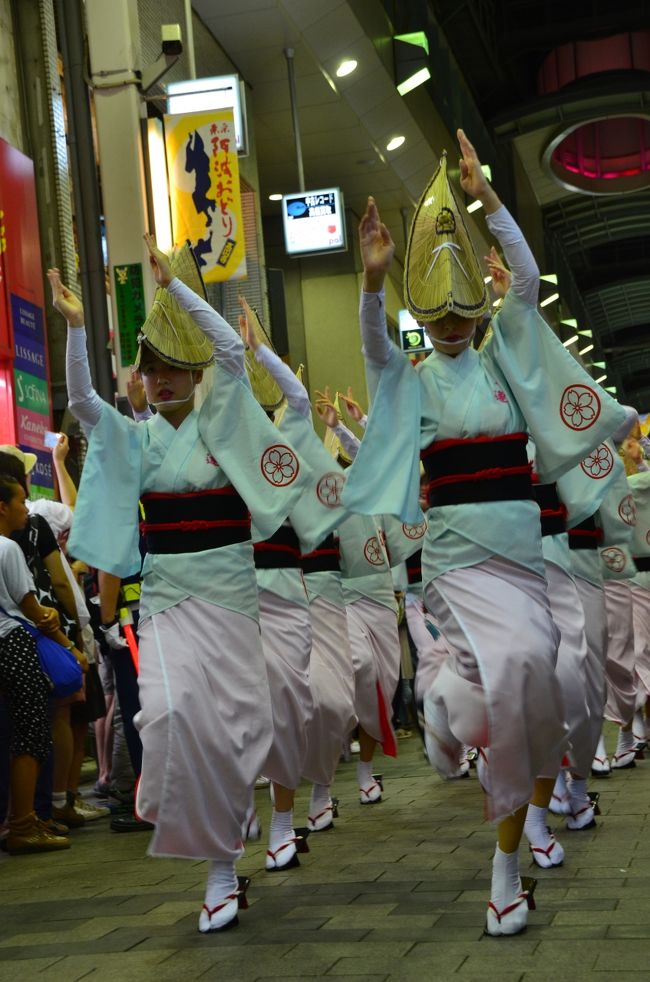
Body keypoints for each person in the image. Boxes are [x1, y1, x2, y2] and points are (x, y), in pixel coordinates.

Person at [341, 129, 626, 935]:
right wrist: (369, 280)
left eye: (467, 310)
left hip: (522, 560)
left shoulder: (504, 359)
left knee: (539, 677)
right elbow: (371, 344)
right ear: (422, 314)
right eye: (439, 314)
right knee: (506, 677)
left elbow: (529, 281)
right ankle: (502, 869)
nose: (455, 324)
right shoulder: (411, 381)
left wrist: (489, 199)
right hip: (458, 562)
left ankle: (508, 853)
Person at [49, 236, 310, 933]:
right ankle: (220, 855)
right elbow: (79, 400)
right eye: (151, 368)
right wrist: (77, 328)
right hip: (165, 601)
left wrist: (184, 294)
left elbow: (231, 354)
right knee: (166, 719)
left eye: (173, 367)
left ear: (194, 371)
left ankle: (224, 864)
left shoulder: (224, 417)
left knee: (226, 731)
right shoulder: (135, 440)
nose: (160, 379)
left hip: (229, 598)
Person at [0, 472, 74, 854]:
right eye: (19, 501)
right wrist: (63, 637)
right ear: (2, 507)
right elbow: (29, 605)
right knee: (29, 734)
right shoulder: (7, 548)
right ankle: (24, 825)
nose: (25, 508)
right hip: (11, 644)